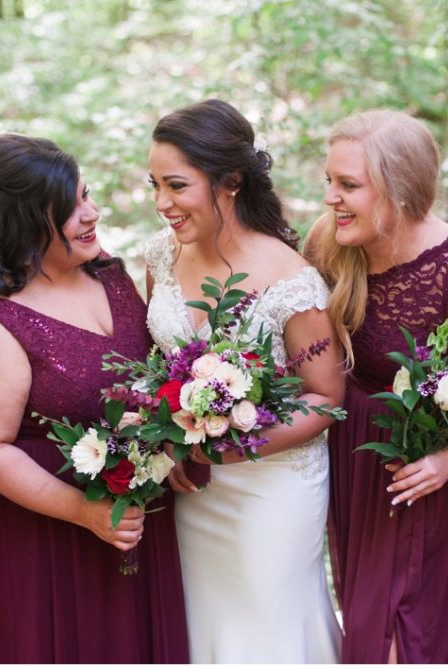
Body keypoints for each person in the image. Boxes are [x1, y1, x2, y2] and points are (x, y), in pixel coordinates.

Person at [304, 109, 448, 663]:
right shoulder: (331, 242)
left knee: (401, 640)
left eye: (348, 185)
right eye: (329, 181)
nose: (331, 198)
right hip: (361, 469)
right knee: (369, 622)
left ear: (398, 190)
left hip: (432, 479)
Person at [0, 133, 188, 663]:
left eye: (88, 195)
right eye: (72, 206)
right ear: (28, 220)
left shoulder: (112, 275)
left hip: (136, 522)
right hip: (48, 544)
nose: (92, 213)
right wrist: (85, 511)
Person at [144, 99, 344, 663]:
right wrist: (168, 437)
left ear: (229, 180)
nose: (163, 203)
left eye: (177, 186)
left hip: (271, 490)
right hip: (192, 490)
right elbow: (157, 370)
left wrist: (225, 450)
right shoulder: (159, 258)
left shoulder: (291, 280)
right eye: (154, 184)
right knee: (207, 630)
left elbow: (326, 399)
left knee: (267, 633)